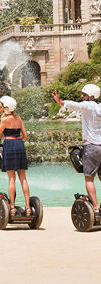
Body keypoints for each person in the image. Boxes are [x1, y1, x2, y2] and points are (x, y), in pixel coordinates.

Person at [52, 84, 101, 214]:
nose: (82, 97)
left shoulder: (88, 106)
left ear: (91, 97)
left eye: (84, 95)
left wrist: (61, 102)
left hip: (92, 146)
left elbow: (76, 105)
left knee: (89, 177)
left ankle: (95, 208)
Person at [0, 95, 31, 216]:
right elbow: (25, 136)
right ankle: (28, 207)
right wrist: (18, 139)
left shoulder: (4, 120)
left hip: (9, 145)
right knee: (23, 178)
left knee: (11, 178)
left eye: (1, 106)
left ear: (7, 107)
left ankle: (12, 208)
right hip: (19, 144)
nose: (0, 108)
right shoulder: (18, 118)